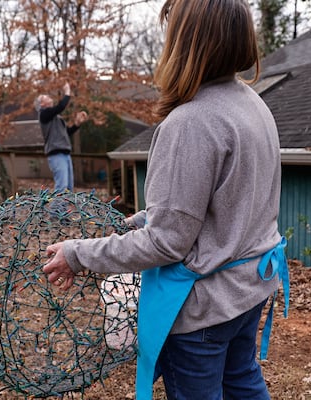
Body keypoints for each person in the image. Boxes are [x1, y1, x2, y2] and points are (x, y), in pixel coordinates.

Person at [42, 0, 289, 399]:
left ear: (185, 42)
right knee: (242, 379)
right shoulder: (253, 104)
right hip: (251, 289)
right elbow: (224, 201)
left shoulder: (191, 122)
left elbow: (167, 243)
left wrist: (77, 253)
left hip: (206, 310)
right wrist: (145, 218)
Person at [34, 82, 88, 192]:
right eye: (46, 97)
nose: (49, 97)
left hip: (65, 154)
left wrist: (77, 123)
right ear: (42, 104)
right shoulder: (44, 114)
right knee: (62, 188)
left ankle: (63, 210)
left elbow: (66, 133)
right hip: (56, 155)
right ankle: (55, 210)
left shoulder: (56, 118)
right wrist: (67, 92)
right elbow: (61, 106)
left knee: (68, 189)